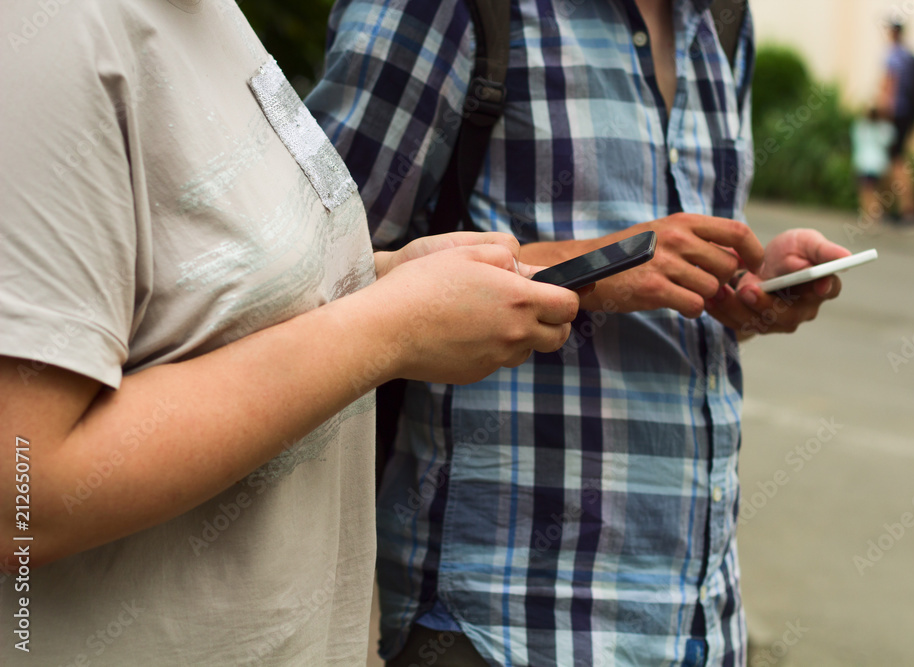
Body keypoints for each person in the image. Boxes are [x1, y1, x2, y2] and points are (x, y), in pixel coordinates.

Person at [0, 1, 581, 664]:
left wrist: (378, 279)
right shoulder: (45, 30)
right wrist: (390, 328)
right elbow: (25, 495)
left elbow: (208, 297)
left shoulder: (209, 14)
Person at [307, 1, 850, 665]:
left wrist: (750, 291)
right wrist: (602, 265)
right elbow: (310, 272)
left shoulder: (722, 19)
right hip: (499, 622)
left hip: (699, 624)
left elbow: (670, 299)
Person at [879, 18, 914, 225]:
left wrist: (882, 110)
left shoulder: (894, 57)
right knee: (898, 160)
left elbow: (890, 86)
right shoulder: (908, 55)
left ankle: (907, 209)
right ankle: (901, 208)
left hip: (897, 115)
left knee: (897, 161)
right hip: (908, 114)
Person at [851, 106, 897, 226]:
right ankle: (876, 214)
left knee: (866, 191)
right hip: (880, 165)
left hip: (864, 164)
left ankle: (870, 215)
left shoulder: (861, 127)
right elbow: (890, 141)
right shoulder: (885, 128)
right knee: (876, 190)